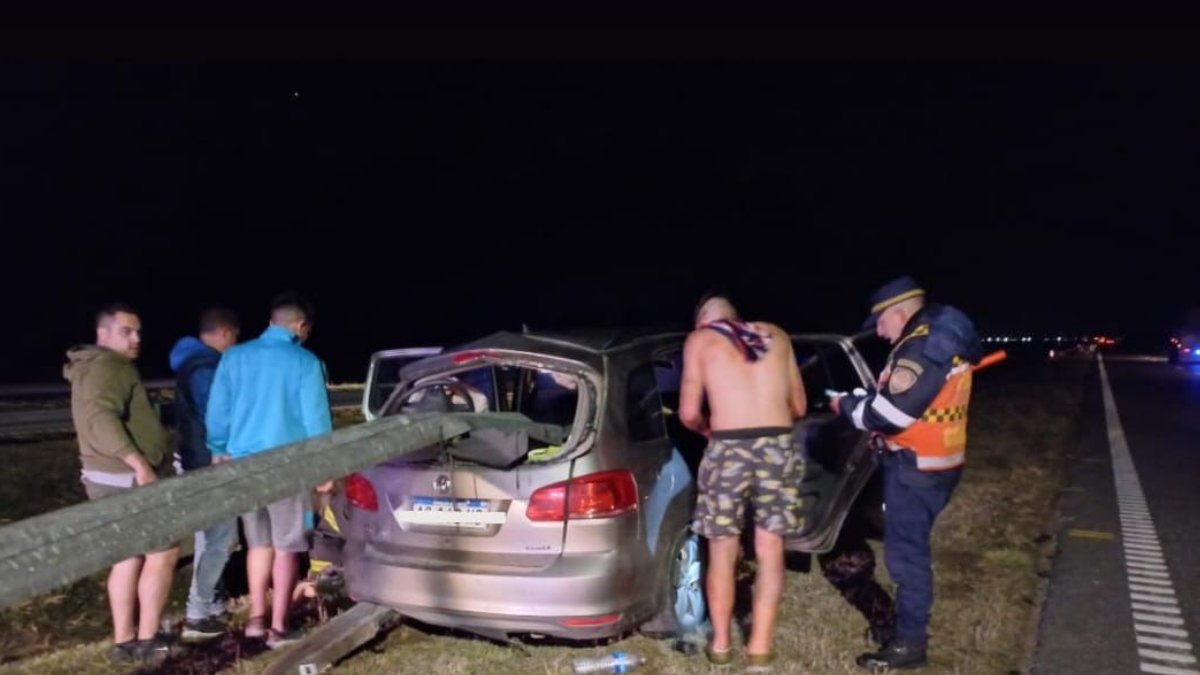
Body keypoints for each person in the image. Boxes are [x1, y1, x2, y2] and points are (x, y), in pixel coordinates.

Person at [830, 276, 981, 670]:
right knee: (909, 551)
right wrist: (865, 400)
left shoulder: (921, 346)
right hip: (935, 462)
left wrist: (844, 406)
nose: (878, 332)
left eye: (880, 322)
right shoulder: (940, 339)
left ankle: (909, 644)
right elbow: (908, 402)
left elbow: (891, 415)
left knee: (906, 559)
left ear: (898, 312)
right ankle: (908, 635)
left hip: (916, 469)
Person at [680, 293, 806, 671]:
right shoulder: (778, 336)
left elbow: (687, 412)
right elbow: (799, 407)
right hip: (777, 444)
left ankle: (720, 646)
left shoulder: (700, 339)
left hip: (728, 446)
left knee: (722, 547)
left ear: (703, 319)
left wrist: (706, 428)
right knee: (770, 548)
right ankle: (760, 649)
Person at [205, 292, 333, 649]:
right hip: (287, 466)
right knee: (287, 546)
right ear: (300, 326)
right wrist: (326, 466)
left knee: (257, 544)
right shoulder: (306, 362)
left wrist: (218, 448)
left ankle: (256, 621)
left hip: (244, 465)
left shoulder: (234, 357)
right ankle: (280, 627)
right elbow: (316, 421)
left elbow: (218, 411)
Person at [64, 303, 178, 663]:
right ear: (103, 334)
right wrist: (139, 464)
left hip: (102, 475)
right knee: (163, 552)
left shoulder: (91, 367)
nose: (136, 339)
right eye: (127, 331)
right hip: (127, 477)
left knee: (126, 557)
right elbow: (100, 418)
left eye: (138, 331)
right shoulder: (111, 368)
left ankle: (124, 641)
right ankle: (148, 639)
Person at [169, 307, 241, 640]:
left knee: (210, 539)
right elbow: (214, 413)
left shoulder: (192, 362)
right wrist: (221, 452)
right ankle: (197, 613)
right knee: (216, 540)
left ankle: (210, 603)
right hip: (207, 463)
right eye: (235, 338)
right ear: (225, 332)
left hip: (196, 459)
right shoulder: (205, 366)